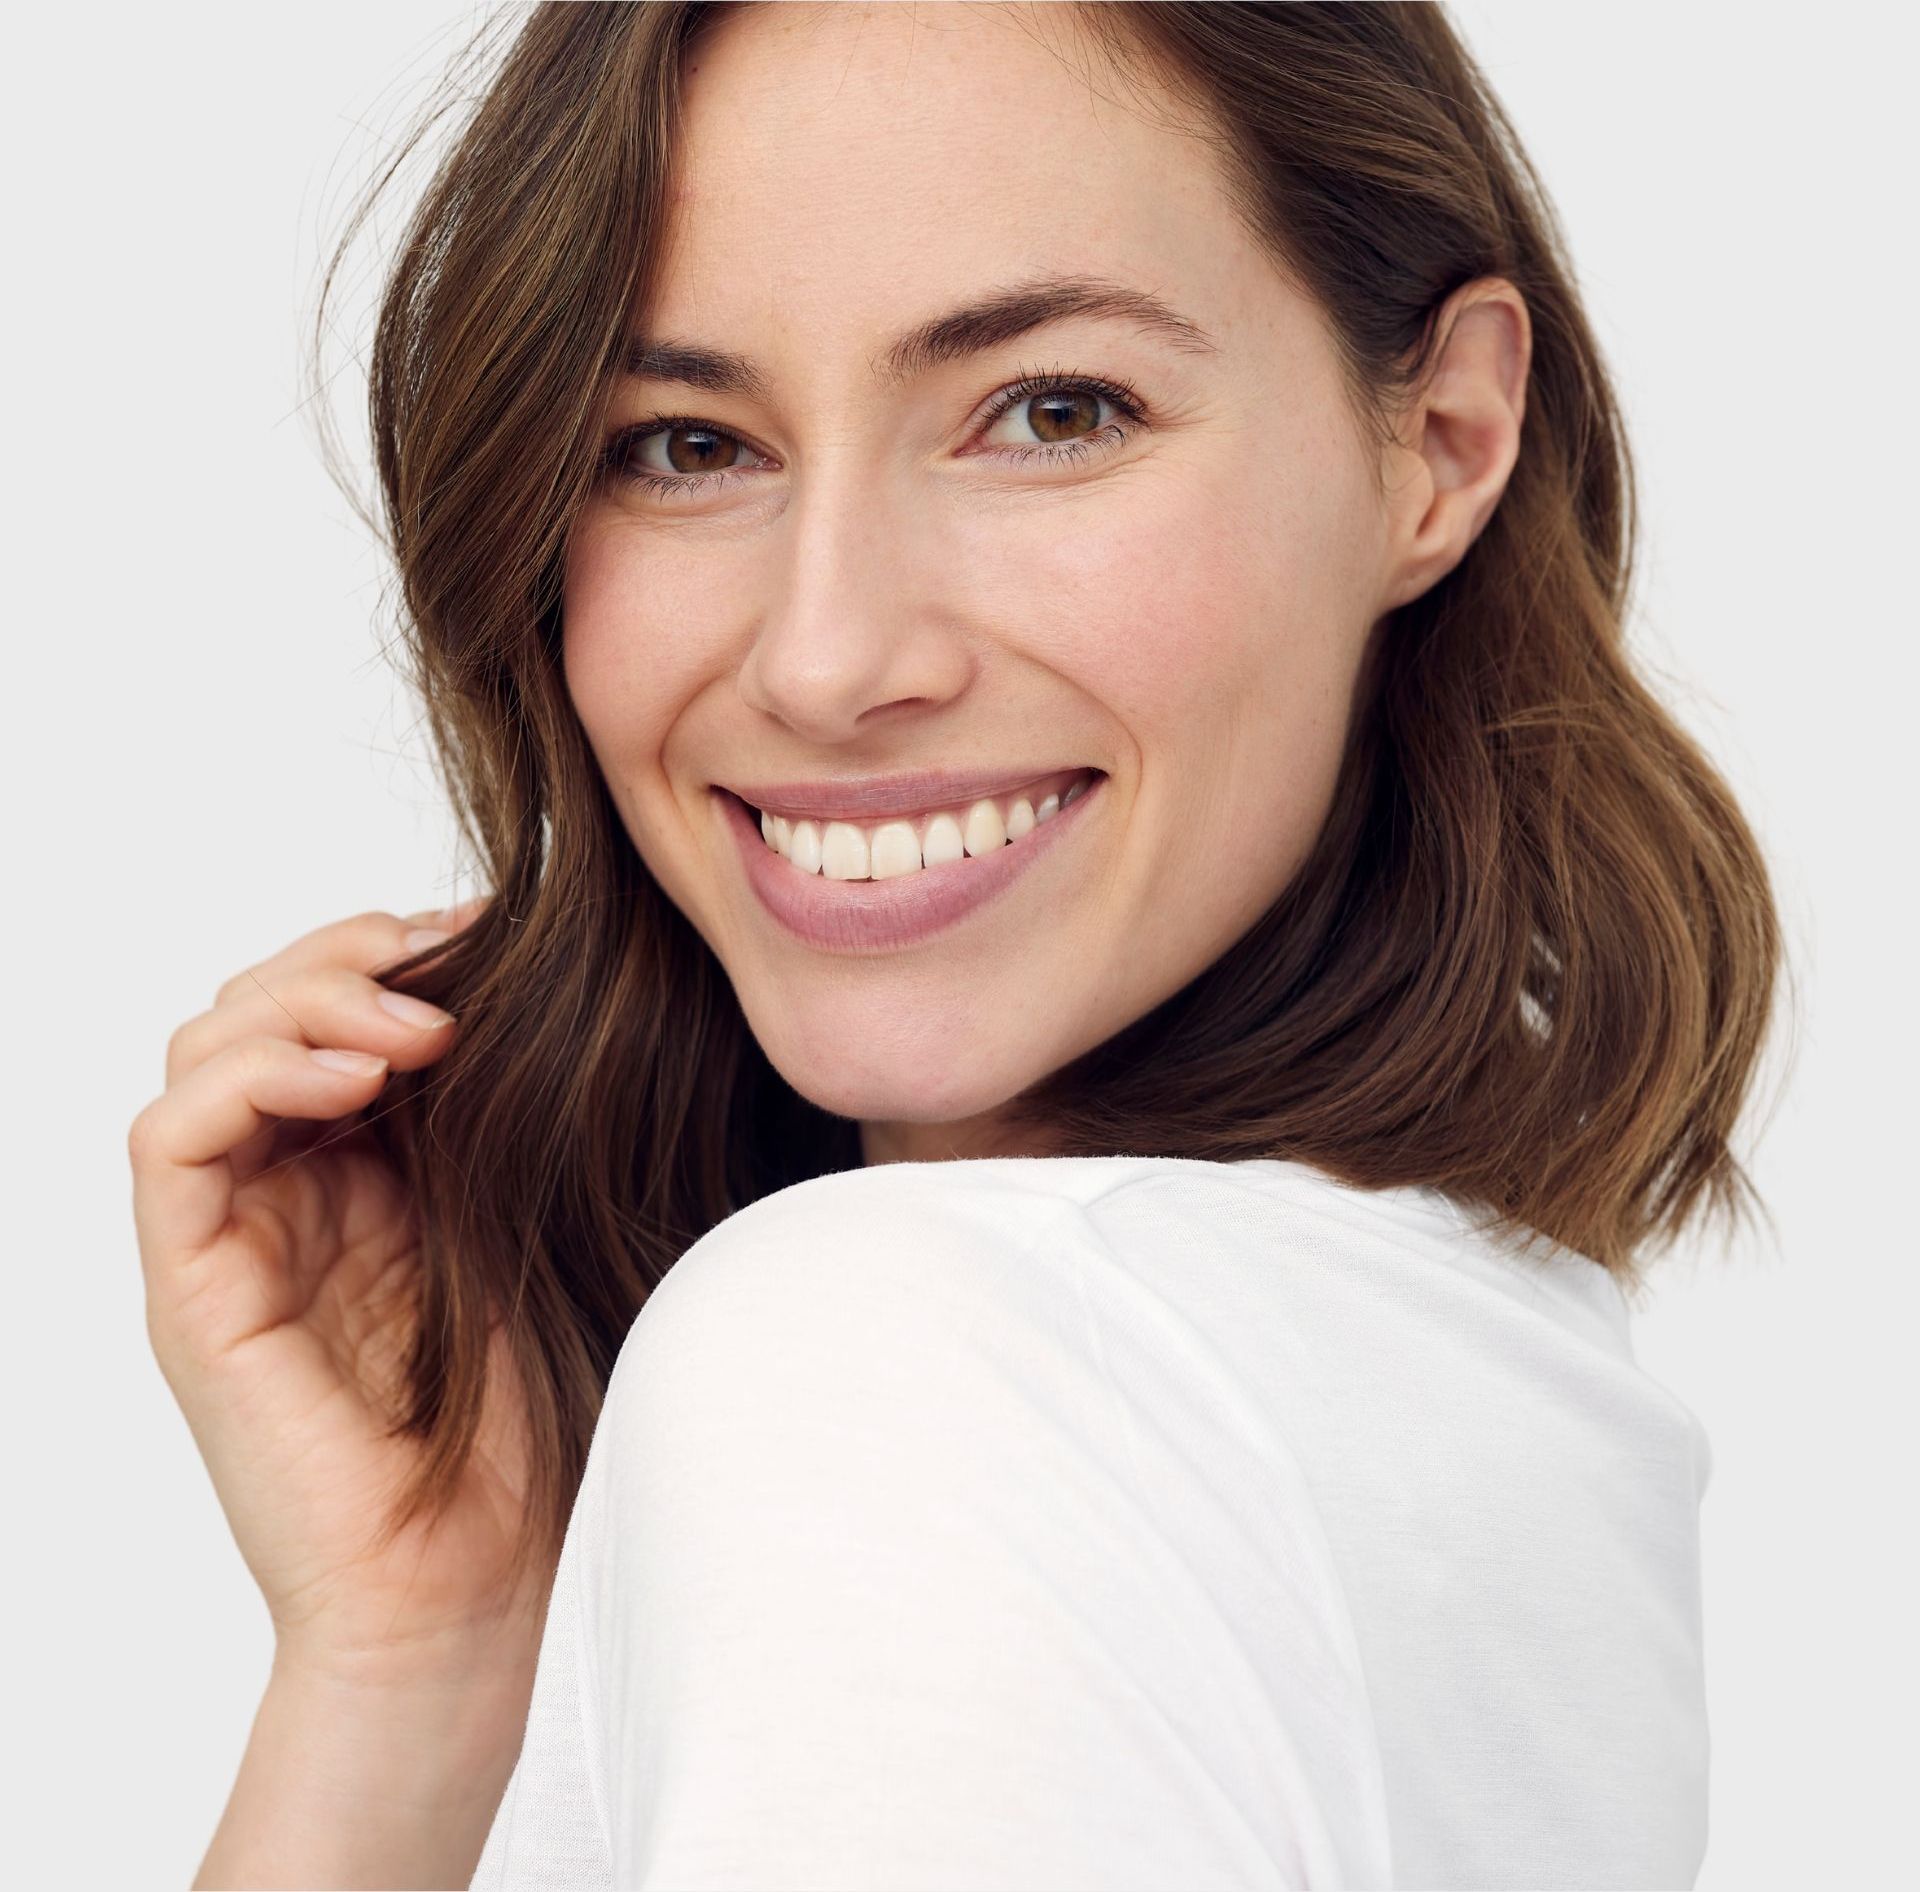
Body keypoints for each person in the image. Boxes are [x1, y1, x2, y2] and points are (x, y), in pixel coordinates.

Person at [129, 3, 1784, 1887]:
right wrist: (416, 1674)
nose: (828, 658)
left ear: (1445, 439)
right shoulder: (1481, 1373)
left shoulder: (905, 1363)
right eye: (684, 443)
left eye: (1055, 414)